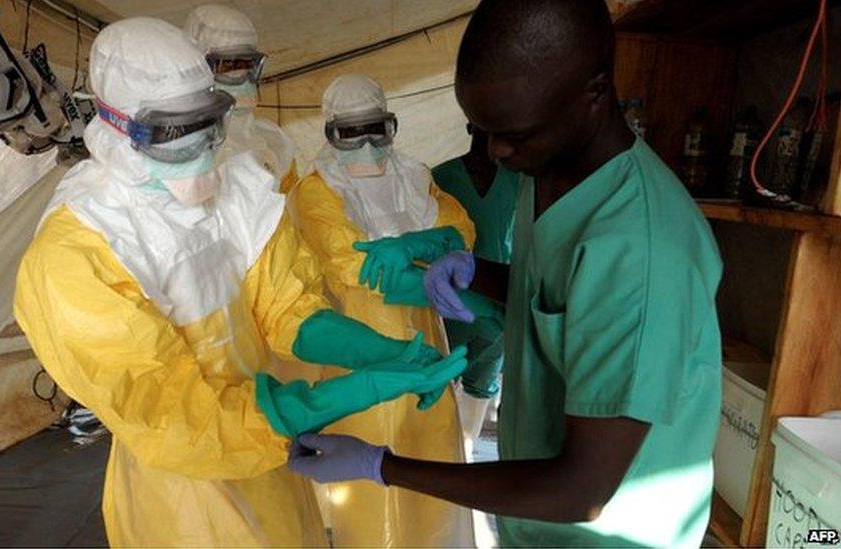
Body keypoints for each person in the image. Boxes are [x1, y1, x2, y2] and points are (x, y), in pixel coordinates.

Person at [13, 18, 466, 548]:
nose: (204, 151)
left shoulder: (238, 188)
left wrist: (381, 353)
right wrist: (342, 395)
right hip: (181, 488)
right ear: (117, 127)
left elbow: (289, 308)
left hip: (269, 456)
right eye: (175, 135)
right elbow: (176, 419)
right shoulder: (79, 250)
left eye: (209, 125)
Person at [288, 1, 724, 547]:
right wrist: (476, 273)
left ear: (594, 91)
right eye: (482, 128)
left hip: (604, 532)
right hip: (535, 519)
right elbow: (565, 298)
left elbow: (579, 491)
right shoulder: (548, 167)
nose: (497, 151)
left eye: (514, 133)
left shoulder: (643, 252)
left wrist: (384, 467)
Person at [288, 73, 477, 547]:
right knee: (369, 478)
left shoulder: (414, 178)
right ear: (330, 135)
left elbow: (460, 230)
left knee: (431, 459)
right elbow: (353, 266)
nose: (368, 145)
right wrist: (431, 277)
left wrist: (432, 246)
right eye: (351, 133)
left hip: (426, 339)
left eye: (378, 129)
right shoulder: (316, 192)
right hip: (358, 343)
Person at [431, 124, 518, 440]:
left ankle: (466, 452)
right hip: (449, 306)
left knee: (481, 387)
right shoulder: (439, 179)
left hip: (497, 306)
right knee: (437, 382)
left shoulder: (519, 182)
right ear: (468, 125)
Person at [184, 4, 299, 192]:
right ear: (198, 67)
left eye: (248, 63)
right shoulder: (182, 154)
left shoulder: (274, 142)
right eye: (229, 65)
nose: (242, 75)